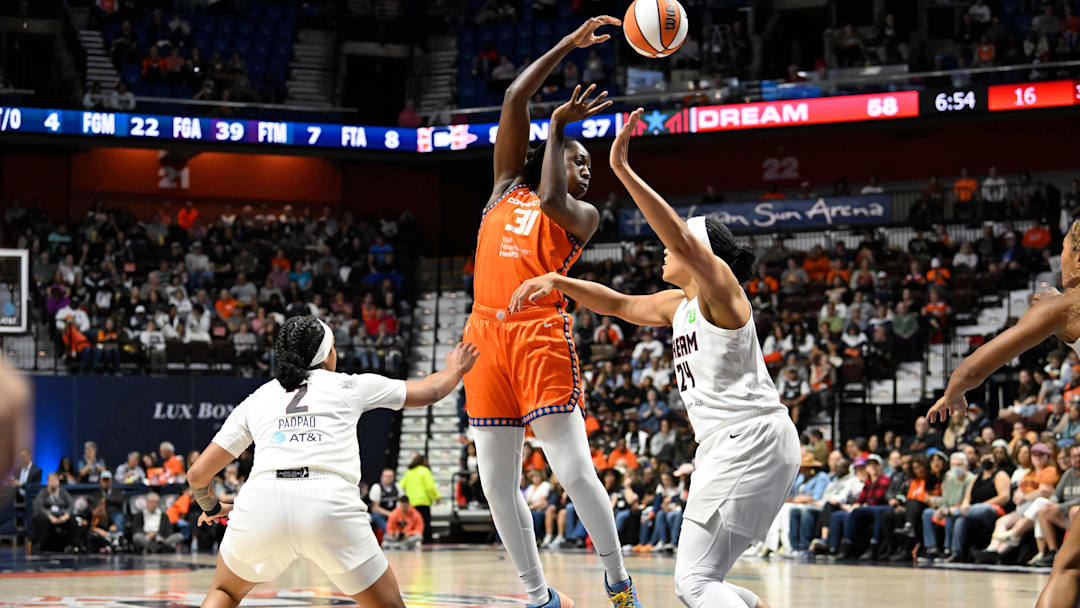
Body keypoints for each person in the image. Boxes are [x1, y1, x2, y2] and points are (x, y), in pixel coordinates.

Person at [511, 106, 800, 608]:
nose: (663, 250)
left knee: (694, 584)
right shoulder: (679, 305)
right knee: (706, 579)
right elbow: (620, 305)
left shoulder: (723, 293)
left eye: (678, 244)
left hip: (748, 438)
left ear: (700, 256)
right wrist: (558, 280)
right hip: (731, 443)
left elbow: (682, 240)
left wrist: (624, 171)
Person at [461, 15, 643, 608]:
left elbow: (549, 198)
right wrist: (569, 44)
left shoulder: (581, 218)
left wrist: (562, 128)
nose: (586, 170)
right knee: (494, 483)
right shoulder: (502, 186)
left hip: (539, 335)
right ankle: (540, 597)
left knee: (572, 470)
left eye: (590, 166)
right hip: (483, 336)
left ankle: (618, 583)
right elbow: (516, 96)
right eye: (578, 159)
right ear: (552, 155)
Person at [187, 315, 479, 608]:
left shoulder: (258, 398)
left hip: (262, 501)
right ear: (327, 354)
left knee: (225, 591)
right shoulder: (349, 385)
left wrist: (211, 506)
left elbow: (198, 475)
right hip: (328, 502)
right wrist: (455, 368)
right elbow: (431, 391)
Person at [928, 219, 1080, 605]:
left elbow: (978, 365)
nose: (1059, 256)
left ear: (1077, 259)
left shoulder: (1066, 308)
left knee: (1070, 569)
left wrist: (954, 392)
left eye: (1063, 248)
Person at [400, 454, 440, 544]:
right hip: (423, 502)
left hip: (411, 503)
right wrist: (437, 497)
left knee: (413, 524)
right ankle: (426, 542)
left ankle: (415, 541)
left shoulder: (409, 472)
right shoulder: (425, 471)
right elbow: (430, 487)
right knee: (424, 524)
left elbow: (401, 485)